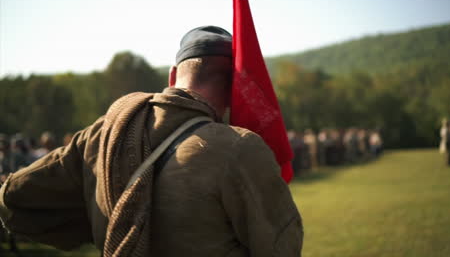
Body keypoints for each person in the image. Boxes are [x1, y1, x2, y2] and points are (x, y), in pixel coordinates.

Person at [0, 26, 303, 256]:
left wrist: (102, 224)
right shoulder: (240, 147)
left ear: (173, 76)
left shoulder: (101, 133)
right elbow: (282, 246)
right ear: (235, 85)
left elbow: (15, 198)